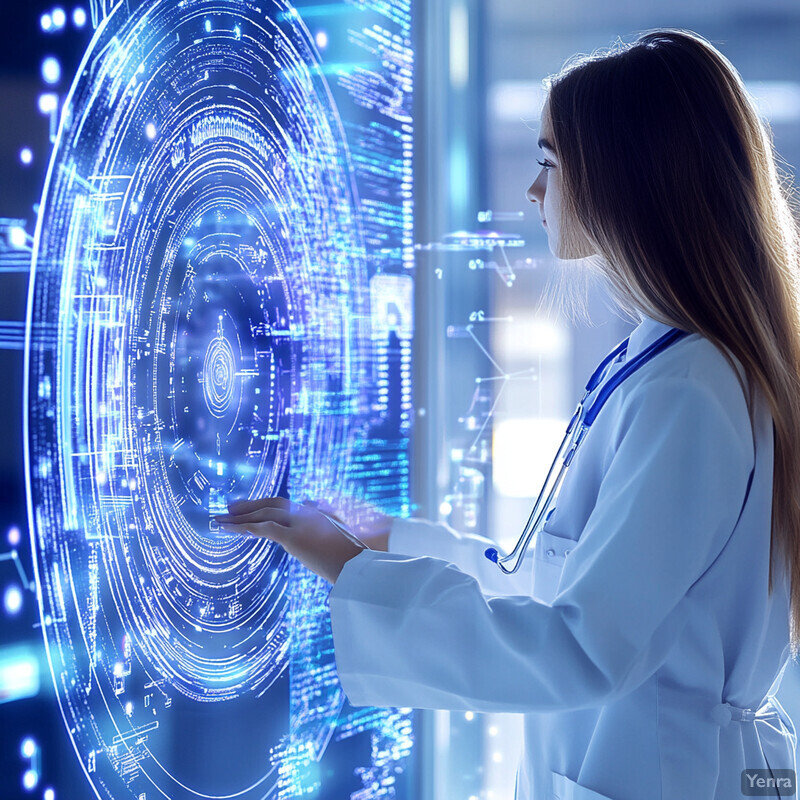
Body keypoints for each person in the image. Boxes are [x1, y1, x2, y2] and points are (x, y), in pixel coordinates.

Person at [216, 28, 800, 800]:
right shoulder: (664, 363)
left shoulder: (688, 391)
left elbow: (580, 647)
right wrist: (390, 539)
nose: (534, 192)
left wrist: (354, 572)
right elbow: (558, 582)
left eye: (550, 164)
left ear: (626, 179)